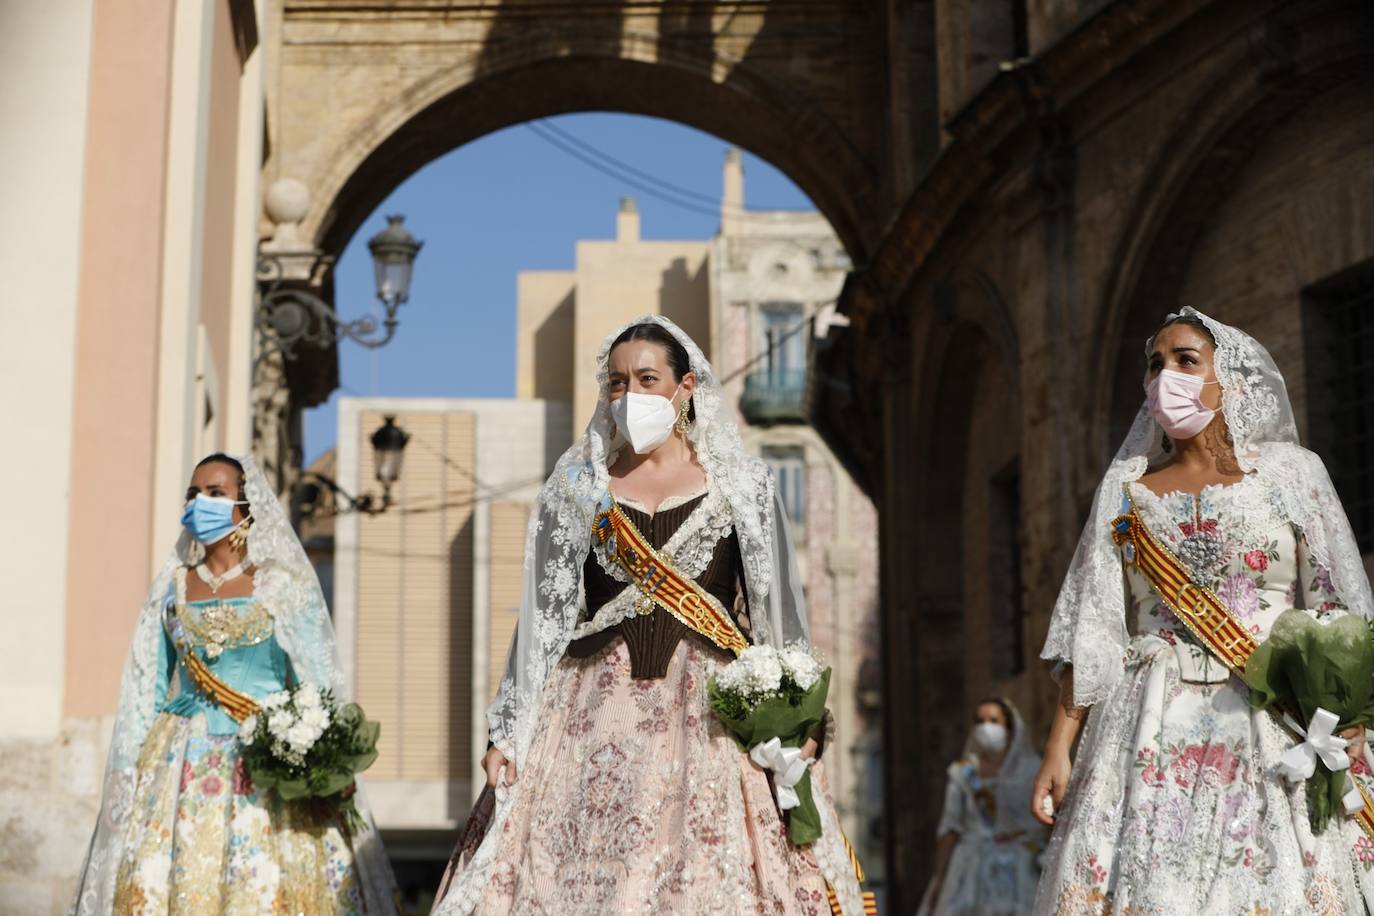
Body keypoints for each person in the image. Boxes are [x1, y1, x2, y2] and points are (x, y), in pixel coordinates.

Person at [429, 316, 866, 915]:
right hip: (587, 714)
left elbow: (776, 619)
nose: (630, 395)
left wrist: (799, 720)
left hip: (711, 717)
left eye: (646, 378)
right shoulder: (577, 487)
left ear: (686, 387)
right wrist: (507, 732)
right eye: (616, 383)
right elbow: (541, 623)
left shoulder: (743, 484)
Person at [1030, 308, 1374, 913]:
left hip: (1275, 715)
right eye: (1155, 364)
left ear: (1231, 379)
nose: (1166, 375)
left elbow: (1337, 606)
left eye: (1186, 360)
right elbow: (1096, 626)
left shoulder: (1293, 474)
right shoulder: (1127, 488)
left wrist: (1349, 720)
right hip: (1149, 721)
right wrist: (1059, 748)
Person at [71, 453, 397, 914]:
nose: (198, 503)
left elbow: (317, 681)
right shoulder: (172, 589)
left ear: (245, 506)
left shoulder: (283, 585)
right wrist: (125, 772)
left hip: (267, 766)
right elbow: (143, 686)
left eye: (214, 493)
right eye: (192, 494)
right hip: (178, 766)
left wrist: (325, 759)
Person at [918, 698, 1046, 915]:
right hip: (972, 870)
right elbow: (950, 828)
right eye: (980, 721)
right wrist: (939, 878)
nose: (986, 727)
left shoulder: (1033, 770)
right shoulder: (963, 773)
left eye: (994, 720)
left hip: (1022, 868)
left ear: (1009, 727)